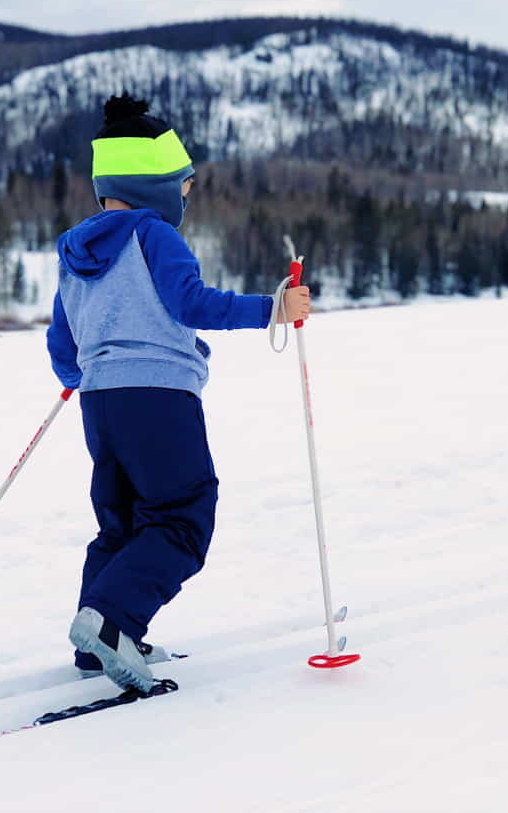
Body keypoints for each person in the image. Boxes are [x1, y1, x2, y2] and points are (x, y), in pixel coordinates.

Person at [46, 93, 310, 693]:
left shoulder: (74, 250)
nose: (186, 199)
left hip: (100, 403)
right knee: (183, 515)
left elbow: (62, 339)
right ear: (157, 184)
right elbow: (191, 303)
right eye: (184, 187)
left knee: (122, 521)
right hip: (159, 396)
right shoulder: (153, 234)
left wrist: (74, 376)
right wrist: (273, 308)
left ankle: (103, 640)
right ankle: (113, 623)